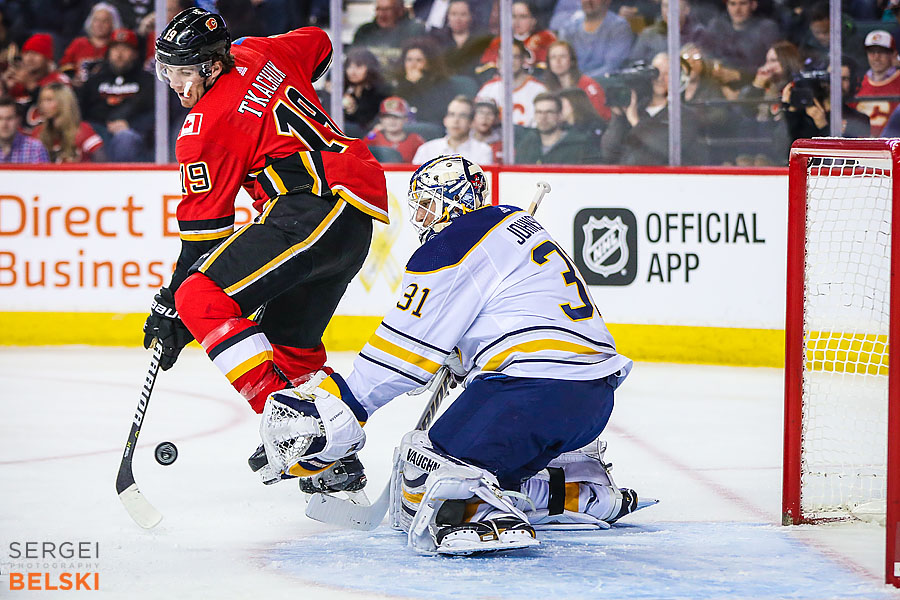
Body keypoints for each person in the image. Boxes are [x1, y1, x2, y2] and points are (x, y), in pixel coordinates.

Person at [256, 154, 646, 555]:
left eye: (428, 205)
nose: (422, 220)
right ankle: (578, 488)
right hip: (592, 400)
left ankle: (477, 514)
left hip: (531, 393)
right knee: (482, 459)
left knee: (422, 471)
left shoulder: (457, 242)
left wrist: (345, 402)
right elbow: (513, 317)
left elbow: (400, 353)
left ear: (456, 200)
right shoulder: (517, 226)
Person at [142, 8, 388, 415]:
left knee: (199, 294)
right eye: (169, 72)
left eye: (186, 73)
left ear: (213, 66)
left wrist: (173, 307)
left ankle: (286, 419)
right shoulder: (256, 50)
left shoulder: (203, 129)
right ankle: (328, 454)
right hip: (352, 217)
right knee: (290, 348)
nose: (177, 85)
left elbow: (204, 240)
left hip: (308, 210)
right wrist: (272, 80)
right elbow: (319, 44)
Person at [601, 52, 704, 165]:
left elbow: (664, 149)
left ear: (677, 78)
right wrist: (618, 117)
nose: (660, 78)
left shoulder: (685, 116)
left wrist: (635, 121)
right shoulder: (636, 109)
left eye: (667, 74)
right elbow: (609, 153)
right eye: (655, 72)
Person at [79, 28, 154, 162]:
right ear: (108, 53)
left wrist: (131, 125)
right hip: (99, 132)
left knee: (125, 138)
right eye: (115, 49)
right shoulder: (95, 80)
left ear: (135, 53)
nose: (119, 54)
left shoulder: (147, 81)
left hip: (134, 134)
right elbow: (81, 112)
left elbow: (156, 114)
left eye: (125, 49)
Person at [2, 33, 71, 133]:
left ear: (47, 59)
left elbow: (62, 108)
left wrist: (30, 85)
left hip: (48, 136)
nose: (29, 58)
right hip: (14, 137)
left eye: (35, 54)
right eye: (26, 53)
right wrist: (5, 88)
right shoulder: (16, 80)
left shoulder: (58, 79)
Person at [476, 39, 548, 127]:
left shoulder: (539, 90)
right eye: (504, 57)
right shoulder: (488, 89)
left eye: (515, 57)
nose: (509, 61)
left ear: (523, 60)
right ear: (498, 61)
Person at [557, 0, 634, 80]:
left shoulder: (619, 27)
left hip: (606, 85)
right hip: (572, 86)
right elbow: (562, 65)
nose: (588, 1)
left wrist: (582, 81)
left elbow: (612, 67)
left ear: (607, 1)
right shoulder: (569, 27)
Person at [516, 92, 601, 164]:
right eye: (539, 112)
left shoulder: (582, 145)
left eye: (549, 112)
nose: (543, 117)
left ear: (560, 115)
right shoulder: (526, 144)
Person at [393, 37, 461, 127]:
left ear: (429, 63)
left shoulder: (442, 83)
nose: (413, 65)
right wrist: (408, 84)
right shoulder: (400, 83)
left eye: (419, 60)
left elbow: (434, 113)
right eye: (409, 60)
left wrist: (420, 83)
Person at [31, 82, 106, 162]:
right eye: (41, 101)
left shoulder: (82, 131)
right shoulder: (38, 133)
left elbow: (102, 163)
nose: (43, 105)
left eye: (49, 100)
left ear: (64, 102)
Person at [412, 95, 492, 164]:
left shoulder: (483, 151)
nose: (456, 120)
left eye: (462, 116)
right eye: (451, 114)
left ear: (471, 122)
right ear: (445, 120)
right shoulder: (427, 150)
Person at [544, 40, 611, 120]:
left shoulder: (587, 85)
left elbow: (601, 115)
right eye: (553, 57)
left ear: (572, 60)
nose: (558, 61)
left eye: (563, 56)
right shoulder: (547, 87)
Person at [480, 0, 556, 70]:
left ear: (534, 20)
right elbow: (486, 66)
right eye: (513, 16)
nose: (517, 21)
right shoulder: (499, 42)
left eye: (523, 17)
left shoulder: (545, 39)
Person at [352, 0, 427, 71]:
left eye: (387, 9)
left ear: (400, 11)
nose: (381, 14)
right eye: (378, 9)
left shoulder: (415, 31)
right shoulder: (364, 31)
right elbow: (353, 60)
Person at [59, 2, 122, 86]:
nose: (99, 25)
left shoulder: (116, 47)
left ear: (113, 24)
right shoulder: (78, 43)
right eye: (96, 20)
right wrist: (72, 79)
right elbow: (64, 67)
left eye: (105, 21)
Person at [852, 30, 900, 136]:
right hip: (861, 145)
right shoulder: (857, 83)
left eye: (882, 52)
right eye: (871, 52)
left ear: (893, 54)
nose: (876, 57)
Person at [342, 47, 391, 138]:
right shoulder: (342, 91)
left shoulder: (381, 91)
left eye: (359, 66)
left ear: (370, 68)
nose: (352, 71)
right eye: (349, 66)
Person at [364, 96, 425, 162]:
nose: (392, 121)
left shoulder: (416, 140)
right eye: (387, 117)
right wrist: (373, 132)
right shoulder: (373, 137)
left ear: (405, 119)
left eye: (397, 117)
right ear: (381, 119)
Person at [0, 95, 49, 163]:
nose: (4, 124)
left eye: (9, 118)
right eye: (0, 119)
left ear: (18, 120)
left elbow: (44, 173)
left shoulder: (35, 148)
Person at [471, 96, 502, 163]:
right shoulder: (464, 140)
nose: (485, 117)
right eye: (480, 112)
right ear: (473, 116)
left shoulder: (501, 143)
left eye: (490, 113)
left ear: (495, 118)